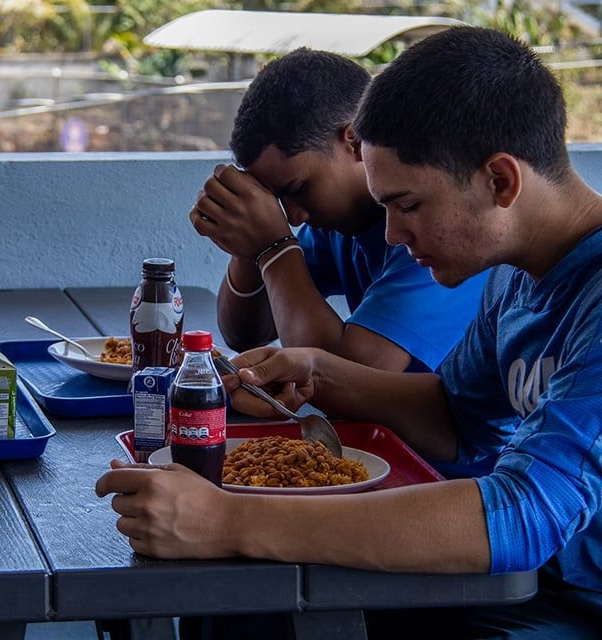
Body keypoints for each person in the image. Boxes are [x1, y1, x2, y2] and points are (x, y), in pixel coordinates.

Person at [99, 27, 602, 638]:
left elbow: (525, 513)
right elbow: (455, 417)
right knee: (242, 609)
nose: (390, 235)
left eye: (408, 206)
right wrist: (320, 371)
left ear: (500, 182)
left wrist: (229, 521)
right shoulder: (517, 275)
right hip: (531, 583)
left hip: (570, 598)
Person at [192, 49, 487, 373]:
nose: (293, 216)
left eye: (298, 189)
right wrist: (247, 244)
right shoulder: (336, 226)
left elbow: (350, 375)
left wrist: (273, 248)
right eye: (275, 199)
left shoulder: (432, 227)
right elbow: (246, 334)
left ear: (355, 141)